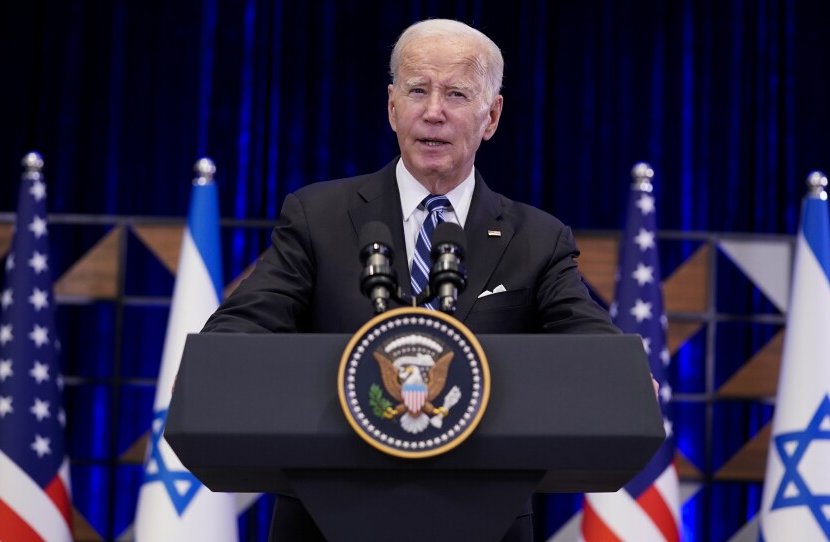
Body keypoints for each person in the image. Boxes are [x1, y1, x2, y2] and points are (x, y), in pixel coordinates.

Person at [202, 18, 621, 541]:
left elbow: (585, 337)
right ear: (391, 106)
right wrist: (212, 368)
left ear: (491, 116)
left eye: (457, 93)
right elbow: (248, 320)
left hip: (482, 523)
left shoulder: (537, 238)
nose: (434, 111)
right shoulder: (319, 214)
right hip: (327, 519)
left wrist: (622, 377)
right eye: (417, 90)